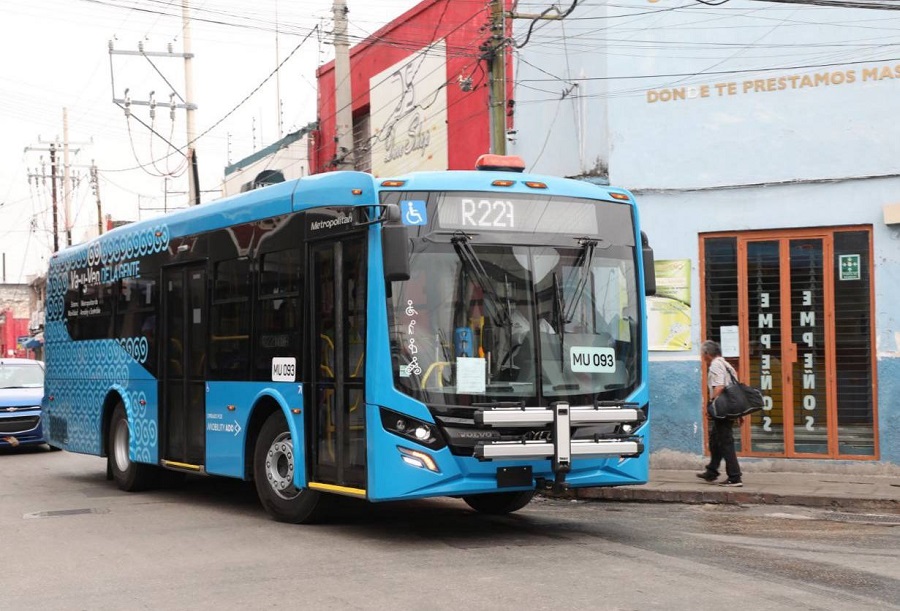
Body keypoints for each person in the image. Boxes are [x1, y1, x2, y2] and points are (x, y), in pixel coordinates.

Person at [697, 340, 743, 487]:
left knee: (725, 442)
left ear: (707, 354)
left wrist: (711, 405)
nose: (702, 357)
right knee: (715, 440)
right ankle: (712, 471)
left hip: (723, 409)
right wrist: (739, 412)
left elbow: (719, 387)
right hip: (730, 408)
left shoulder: (716, 365)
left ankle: (734, 477)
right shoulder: (727, 365)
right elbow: (736, 389)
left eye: (702, 354)